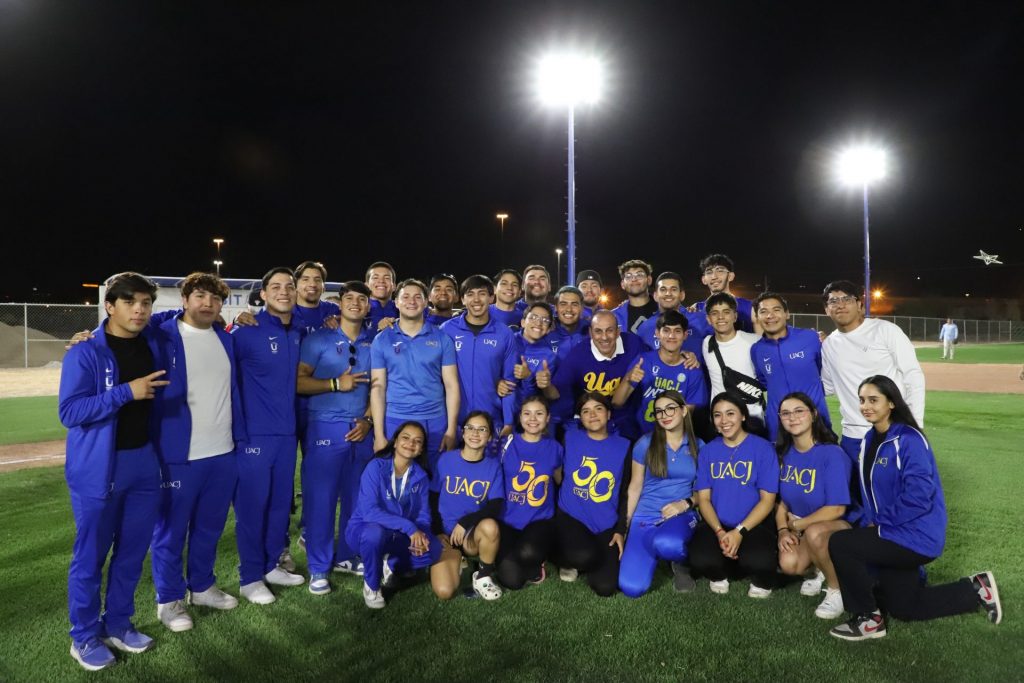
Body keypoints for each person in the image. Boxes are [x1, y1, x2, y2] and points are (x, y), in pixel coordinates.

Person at [827, 376, 1002, 641]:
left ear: (891, 403)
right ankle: (976, 589)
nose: (865, 406)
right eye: (862, 400)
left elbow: (919, 497)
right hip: (891, 532)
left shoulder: (909, 439)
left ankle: (868, 619)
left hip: (915, 535)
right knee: (904, 608)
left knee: (841, 543)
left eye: (873, 400)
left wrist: (879, 521)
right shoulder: (868, 439)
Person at [59, 272, 169, 670]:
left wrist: (241, 317)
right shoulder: (84, 351)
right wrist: (126, 392)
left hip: (143, 464)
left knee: (132, 554)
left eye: (146, 303)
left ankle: (118, 624)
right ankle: (84, 636)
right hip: (98, 468)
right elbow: (69, 412)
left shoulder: (152, 339)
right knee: (90, 558)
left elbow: (184, 312)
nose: (139, 310)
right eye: (130, 302)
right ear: (109, 306)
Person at [151, 272, 246, 631]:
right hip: (179, 456)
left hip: (222, 452)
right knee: (170, 533)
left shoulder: (226, 339)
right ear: (185, 299)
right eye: (200, 296)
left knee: (209, 528)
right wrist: (88, 335)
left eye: (215, 298)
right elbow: (118, 332)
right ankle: (169, 599)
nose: (208, 303)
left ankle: (202, 587)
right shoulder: (162, 336)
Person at [230, 267, 305, 603]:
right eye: (276, 286)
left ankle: (271, 564)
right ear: (263, 294)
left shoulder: (298, 331)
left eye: (289, 286)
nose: (284, 291)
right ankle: (249, 578)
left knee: (278, 506)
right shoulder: (245, 331)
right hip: (254, 436)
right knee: (252, 509)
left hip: (287, 435)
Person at [297, 281, 375, 593]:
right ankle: (318, 567)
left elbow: (379, 388)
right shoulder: (318, 339)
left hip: (361, 429)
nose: (355, 303)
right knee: (321, 500)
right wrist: (333, 384)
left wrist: (368, 420)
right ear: (339, 303)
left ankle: (347, 556)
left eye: (361, 299)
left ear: (368, 306)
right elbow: (298, 381)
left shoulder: (374, 342)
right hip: (325, 428)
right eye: (349, 298)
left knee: (357, 498)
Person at [820, 280, 925, 467]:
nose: (840, 305)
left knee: (896, 485)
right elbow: (827, 387)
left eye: (847, 299)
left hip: (891, 431)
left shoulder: (885, 330)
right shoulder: (829, 345)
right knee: (854, 486)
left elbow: (913, 376)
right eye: (833, 301)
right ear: (827, 310)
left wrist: (915, 426)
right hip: (852, 436)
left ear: (859, 305)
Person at [689, 392, 779, 597]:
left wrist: (739, 532)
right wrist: (720, 532)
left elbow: (767, 501)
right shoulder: (708, 451)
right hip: (717, 524)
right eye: (717, 415)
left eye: (730, 413)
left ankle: (749, 568)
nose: (724, 420)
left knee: (759, 561)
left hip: (752, 525)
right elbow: (704, 499)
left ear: (743, 416)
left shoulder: (763, 448)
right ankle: (720, 571)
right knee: (700, 560)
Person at [345, 421, 441, 609]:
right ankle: (372, 586)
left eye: (417, 441)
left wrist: (421, 536)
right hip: (364, 530)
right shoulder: (375, 467)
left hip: (397, 534)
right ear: (395, 442)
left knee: (434, 549)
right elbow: (369, 512)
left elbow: (423, 516)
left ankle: (392, 563)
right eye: (406, 438)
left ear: (421, 450)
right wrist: (410, 528)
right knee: (374, 534)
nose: (411, 443)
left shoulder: (421, 476)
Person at [774, 392, 851, 619]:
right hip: (800, 526)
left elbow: (837, 509)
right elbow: (781, 502)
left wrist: (798, 525)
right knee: (790, 564)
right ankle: (819, 569)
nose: (792, 418)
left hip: (835, 525)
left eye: (799, 411)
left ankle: (837, 590)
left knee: (816, 532)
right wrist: (783, 530)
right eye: (786, 413)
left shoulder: (832, 454)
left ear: (814, 414)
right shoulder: (784, 453)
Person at [370, 278, 460, 470]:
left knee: (435, 477)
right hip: (396, 419)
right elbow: (378, 388)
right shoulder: (381, 339)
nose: (412, 301)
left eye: (418, 297)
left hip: (435, 420)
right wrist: (378, 434)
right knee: (398, 478)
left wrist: (451, 429)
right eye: (406, 297)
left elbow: (451, 386)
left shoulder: (442, 338)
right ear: (397, 302)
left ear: (426, 302)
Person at [619, 391, 702, 598]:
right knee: (632, 588)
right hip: (646, 516)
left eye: (670, 409)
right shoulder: (644, 444)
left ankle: (681, 564)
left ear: (684, 411)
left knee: (668, 544)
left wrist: (686, 503)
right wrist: (625, 527)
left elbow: (706, 492)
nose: (664, 415)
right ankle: (652, 550)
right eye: (659, 411)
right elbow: (635, 486)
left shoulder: (699, 446)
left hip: (682, 513)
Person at [553, 393, 632, 596]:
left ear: (609, 414)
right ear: (580, 417)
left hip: (605, 522)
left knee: (606, 587)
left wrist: (620, 530)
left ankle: (584, 552)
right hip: (572, 515)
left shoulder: (625, 446)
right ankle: (566, 557)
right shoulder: (570, 437)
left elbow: (625, 492)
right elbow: (557, 471)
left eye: (598, 409)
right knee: (583, 556)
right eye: (585, 411)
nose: (592, 415)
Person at [429, 412, 504, 600]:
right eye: (470, 428)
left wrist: (465, 522)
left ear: (490, 437)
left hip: (470, 535)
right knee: (445, 591)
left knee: (490, 526)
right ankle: (456, 560)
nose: (475, 433)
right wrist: (437, 531)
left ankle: (483, 575)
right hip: (445, 535)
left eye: (482, 429)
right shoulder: (446, 460)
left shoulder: (493, 466)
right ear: (462, 433)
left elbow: (496, 505)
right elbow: (432, 497)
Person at [495, 396, 564, 589]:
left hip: (539, 519)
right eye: (527, 413)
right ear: (520, 417)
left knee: (528, 553)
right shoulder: (505, 444)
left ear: (547, 418)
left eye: (539, 413)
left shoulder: (555, 448)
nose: (533, 418)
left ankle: (538, 555)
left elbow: (559, 480)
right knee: (512, 581)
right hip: (508, 519)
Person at [441, 275, 518, 438]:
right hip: (453, 422)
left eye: (482, 293)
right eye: (470, 294)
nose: (476, 299)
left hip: (491, 421)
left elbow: (509, 381)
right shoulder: (447, 330)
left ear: (491, 298)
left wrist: (508, 423)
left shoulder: (505, 334)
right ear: (462, 299)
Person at [550, 310, 644, 441]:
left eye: (609, 330)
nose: (604, 337)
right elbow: (560, 393)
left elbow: (657, 360)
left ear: (618, 331)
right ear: (590, 333)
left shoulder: (634, 344)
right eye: (598, 331)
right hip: (591, 421)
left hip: (626, 422)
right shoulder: (577, 355)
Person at [750, 292, 831, 440]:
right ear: (757, 317)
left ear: (787, 314)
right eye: (763, 311)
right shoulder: (756, 350)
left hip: (816, 423)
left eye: (776, 310)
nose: (770, 315)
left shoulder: (810, 338)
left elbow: (823, 369)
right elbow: (765, 382)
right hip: (778, 427)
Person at [613, 310, 707, 436]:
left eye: (677, 331)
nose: (671, 336)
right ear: (657, 333)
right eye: (666, 330)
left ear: (685, 335)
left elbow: (686, 418)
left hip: (671, 439)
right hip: (639, 436)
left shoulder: (693, 370)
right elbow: (617, 402)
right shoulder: (643, 361)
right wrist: (628, 379)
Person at [701, 293, 767, 436]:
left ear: (735, 316)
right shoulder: (706, 343)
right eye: (715, 313)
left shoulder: (754, 341)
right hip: (721, 423)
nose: (721, 317)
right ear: (708, 319)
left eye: (726, 312)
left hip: (752, 420)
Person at [635, 271, 712, 357]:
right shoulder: (645, 328)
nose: (668, 293)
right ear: (655, 296)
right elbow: (640, 360)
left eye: (674, 289)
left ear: (682, 295)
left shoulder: (701, 320)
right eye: (663, 289)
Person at [510, 302, 559, 421]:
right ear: (522, 322)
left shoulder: (549, 356)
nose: (539, 323)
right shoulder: (508, 342)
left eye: (545, 320)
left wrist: (543, 384)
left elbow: (550, 395)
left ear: (548, 329)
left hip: (530, 418)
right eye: (533, 317)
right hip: (501, 412)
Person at [691, 254, 756, 333]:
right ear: (704, 279)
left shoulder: (750, 307)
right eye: (709, 272)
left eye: (720, 271)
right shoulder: (696, 308)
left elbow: (760, 338)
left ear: (730, 276)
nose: (714, 277)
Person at [611, 259, 659, 334]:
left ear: (649, 280)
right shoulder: (613, 316)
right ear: (622, 284)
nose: (634, 279)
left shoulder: (665, 310)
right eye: (628, 276)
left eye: (639, 275)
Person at [365, 261, 398, 332]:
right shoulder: (359, 308)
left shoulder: (403, 308)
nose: (381, 281)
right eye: (375, 277)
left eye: (387, 278)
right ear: (366, 286)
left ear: (394, 286)